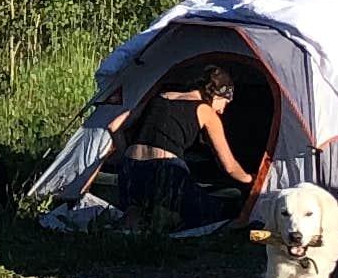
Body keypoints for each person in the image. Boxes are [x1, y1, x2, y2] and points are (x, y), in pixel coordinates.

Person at [106, 57, 262, 232]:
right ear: (217, 94)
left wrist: (126, 155)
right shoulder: (206, 111)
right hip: (165, 171)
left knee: (138, 211)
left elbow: (114, 127)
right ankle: (164, 217)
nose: (222, 110)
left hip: (130, 171)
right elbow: (230, 167)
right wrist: (252, 181)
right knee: (218, 211)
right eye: (225, 102)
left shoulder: (159, 97)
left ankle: (140, 221)